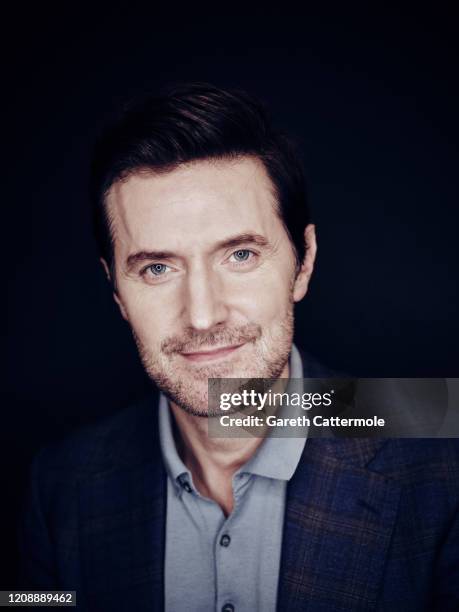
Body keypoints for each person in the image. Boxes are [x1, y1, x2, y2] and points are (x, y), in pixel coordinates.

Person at [18, 83, 459, 611]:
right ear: (116, 291)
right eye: (157, 268)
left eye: (241, 256)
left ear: (304, 262)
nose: (203, 315)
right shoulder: (59, 484)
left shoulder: (441, 458)